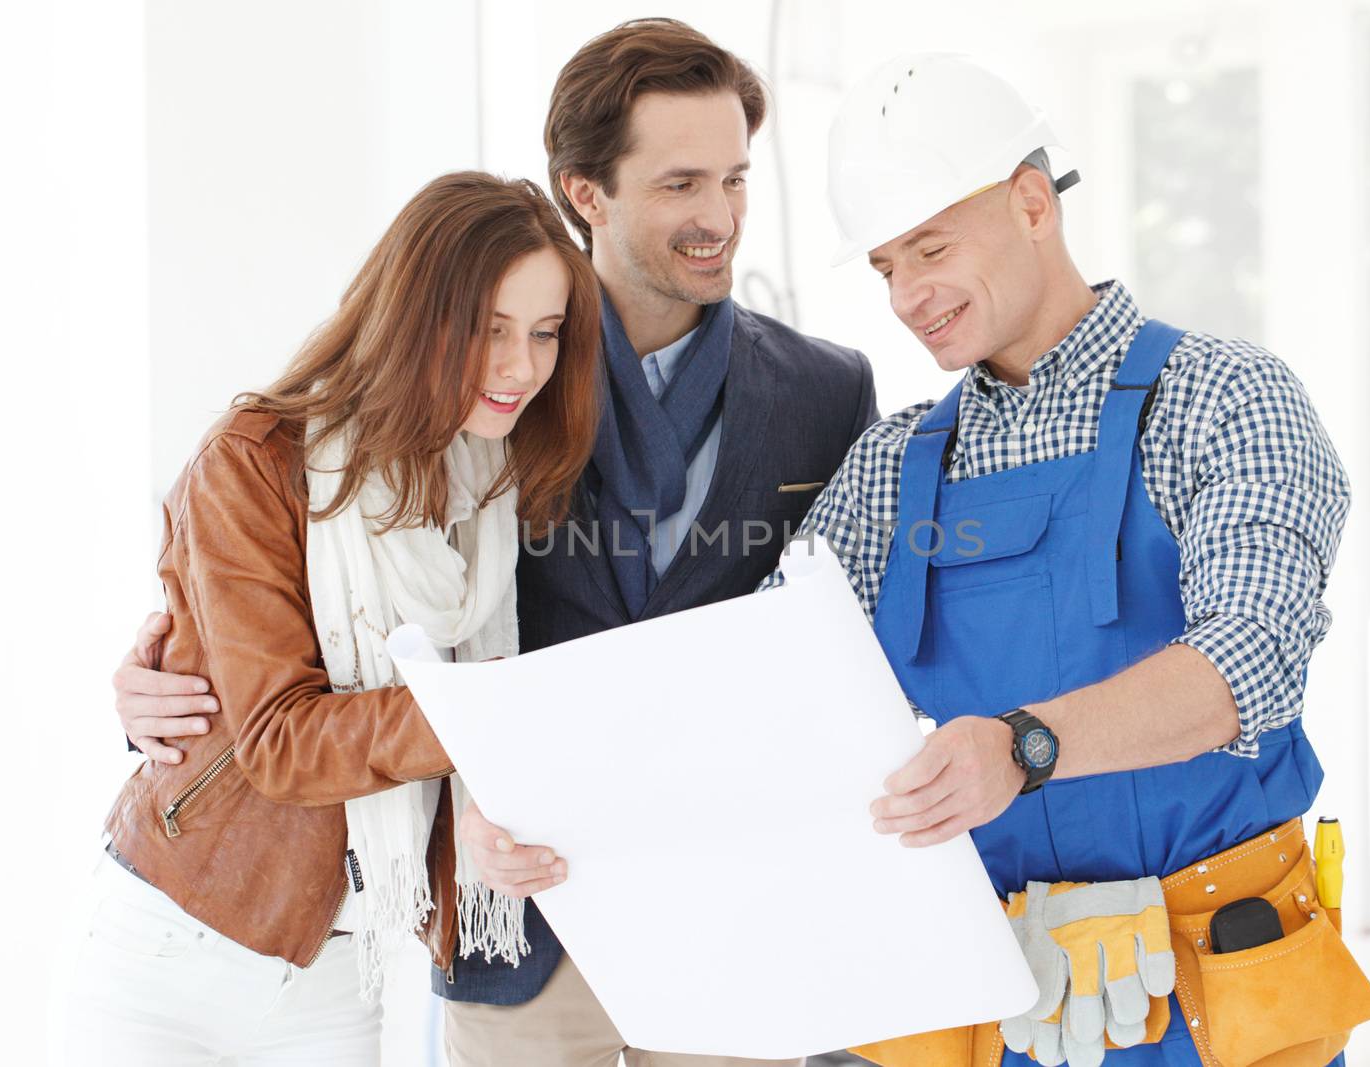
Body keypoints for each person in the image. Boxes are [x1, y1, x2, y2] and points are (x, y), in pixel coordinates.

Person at [111, 18, 878, 1067]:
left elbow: (841, 631)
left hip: (729, 909)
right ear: (585, 193)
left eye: (736, 180)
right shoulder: (485, 395)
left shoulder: (829, 390)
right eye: (680, 184)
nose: (719, 218)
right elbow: (330, 563)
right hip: (514, 916)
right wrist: (161, 667)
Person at [792, 56, 1370, 1066]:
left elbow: (1250, 660)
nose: (906, 295)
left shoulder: (1225, 397)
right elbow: (770, 684)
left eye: (928, 247)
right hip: (979, 1007)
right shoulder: (886, 468)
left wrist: (1020, 748)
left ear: (1029, 202)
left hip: (1210, 994)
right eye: (885, 265)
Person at [73, 171, 603, 1065]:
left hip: (339, 970)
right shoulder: (257, 460)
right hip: (171, 947)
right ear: (416, 315)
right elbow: (282, 739)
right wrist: (495, 714)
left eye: (544, 333)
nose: (522, 367)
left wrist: (492, 789)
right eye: (490, 330)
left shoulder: (490, 486)